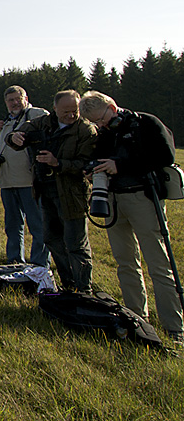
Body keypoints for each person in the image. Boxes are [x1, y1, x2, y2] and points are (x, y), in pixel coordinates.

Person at [80, 91, 183, 342]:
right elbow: (98, 158)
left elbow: (165, 157)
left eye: (102, 120)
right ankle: (137, 318)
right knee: (125, 262)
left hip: (143, 198)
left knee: (158, 264)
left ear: (112, 107)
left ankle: (174, 327)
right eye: (96, 124)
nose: (101, 126)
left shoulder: (146, 123)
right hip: (114, 200)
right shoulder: (105, 133)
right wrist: (93, 170)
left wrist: (121, 165)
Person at [7, 90, 96, 293]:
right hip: (46, 192)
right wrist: (16, 137)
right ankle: (68, 283)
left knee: (76, 244)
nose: (71, 115)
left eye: (75, 111)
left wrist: (58, 163)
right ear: (55, 109)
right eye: (66, 111)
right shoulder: (42, 123)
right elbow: (16, 136)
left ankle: (84, 289)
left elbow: (86, 164)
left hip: (73, 194)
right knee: (52, 239)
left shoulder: (85, 130)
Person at [0, 85, 50, 266]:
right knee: (13, 227)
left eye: (18, 98)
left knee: (38, 226)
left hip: (30, 182)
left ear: (26, 98)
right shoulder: (7, 121)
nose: (15, 103)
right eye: (10, 100)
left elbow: (48, 130)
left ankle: (40, 265)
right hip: (7, 182)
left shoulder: (36, 115)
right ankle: (14, 262)